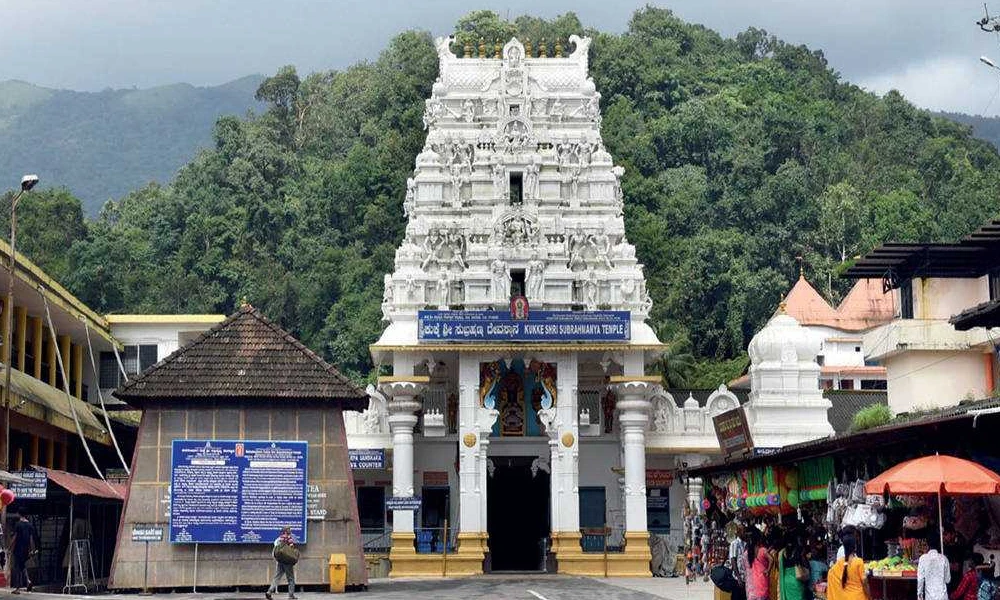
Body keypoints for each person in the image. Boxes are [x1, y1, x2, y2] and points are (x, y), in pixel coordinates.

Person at [265, 527, 297, 600]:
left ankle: (269, 592)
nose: (290, 531)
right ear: (287, 531)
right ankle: (291, 595)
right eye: (289, 529)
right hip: (287, 562)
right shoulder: (289, 539)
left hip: (280, 561)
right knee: (291, 579)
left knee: (277, 577)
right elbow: (291, 549)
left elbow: (275, 548)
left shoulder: (279, 539)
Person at [10, 514, 38, 594]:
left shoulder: (18, 524)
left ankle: (18, 588)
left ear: (19, 514)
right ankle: (28, 581)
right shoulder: (30, 525)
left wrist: (9, 547)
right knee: (22, 566)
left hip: (18, 549)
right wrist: (32, 549)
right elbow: (31, 538)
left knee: (17, 568)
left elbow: (15, 537)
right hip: (26, 549)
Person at [779, 532, 808, 600]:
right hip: (795, 582)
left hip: (786, 581)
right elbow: (799, 575)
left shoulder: (782, 553)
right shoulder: (796, 551)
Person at [746, 527, 772, 600]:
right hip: (762, 580)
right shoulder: (762, 550)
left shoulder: (749, 552)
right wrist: (768, 570)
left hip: (753, 583)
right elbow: (771, 559)